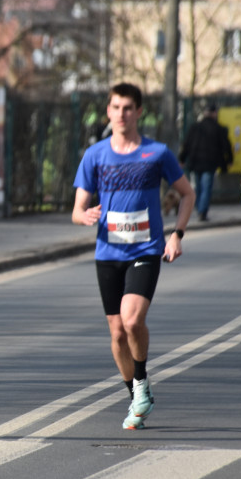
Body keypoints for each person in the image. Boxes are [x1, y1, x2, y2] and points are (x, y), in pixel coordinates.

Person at [72, 82, 195, 431]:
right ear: (108, 112)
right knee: (116, 333)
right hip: (108, 251)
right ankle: (137, 395)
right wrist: (85, 215)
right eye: (115, 108)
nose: (122, 114)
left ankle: (141, 382)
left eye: (128, 108)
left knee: (131, 320)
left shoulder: (157, 153)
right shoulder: (95, 155)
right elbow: (77, 209)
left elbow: (186, 194)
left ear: (139, 112)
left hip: (146, 249)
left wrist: (177, 234)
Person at [179, 102, 233, 221]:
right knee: (206, 187)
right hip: (210, 162)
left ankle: (200, 209)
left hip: (195, 161)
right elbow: (226, 145)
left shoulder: (195, 127)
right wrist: (229, 160)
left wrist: (182, 158)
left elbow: (186, 144)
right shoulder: (218, 128)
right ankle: (202, 212)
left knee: (198, 187)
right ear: (214, 113)